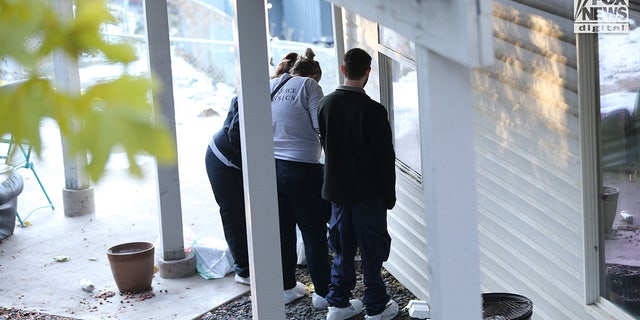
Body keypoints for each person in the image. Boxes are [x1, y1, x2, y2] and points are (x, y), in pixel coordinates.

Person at [318, 48, 398, 320]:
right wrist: (390, 195)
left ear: (343, 69)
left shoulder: (326, 105)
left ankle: (338, 304)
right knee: (372, 251)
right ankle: (375, 306)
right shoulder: (374, 111)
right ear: (368, 72)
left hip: (338, 191)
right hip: (369, 192)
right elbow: (385, 158)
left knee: (342, 247)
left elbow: (326, 146)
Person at [204, 52, 297, 287]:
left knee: (252, 213)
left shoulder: (277, 94)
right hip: (223, 160)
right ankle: (244, 272)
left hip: (238, 162)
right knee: (234, 215)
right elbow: (237, 137)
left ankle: (260, 263)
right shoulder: (253, 95)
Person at [270, 48, 332, 308]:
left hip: (272, 167)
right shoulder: (309, 85)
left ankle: (286, 288)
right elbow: (322, 127)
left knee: (283, 231)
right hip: (303, 169)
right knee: (314, 230)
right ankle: (323, 293)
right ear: (314, 74)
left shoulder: (272, 84)